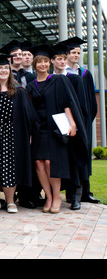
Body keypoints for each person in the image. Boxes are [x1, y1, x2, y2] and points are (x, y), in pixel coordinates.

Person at [26, 44, 88, 213]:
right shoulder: (31, 86)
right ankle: (49, 196)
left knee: (50, 163)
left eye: (46, 61)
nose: (43, 65)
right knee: (39, 163)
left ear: (50, 63)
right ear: (35, 65)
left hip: (54, 128)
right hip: (38, 128)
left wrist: (73, 123)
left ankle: (56, 198)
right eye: (40, 62)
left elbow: (65, 103)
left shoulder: (57, 80)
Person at [0, 55, 38, 214]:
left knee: (9, 167)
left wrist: (28, 135)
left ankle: (10, 201)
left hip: (11, 135)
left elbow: (28, 117)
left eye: (5, 68)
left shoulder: (19, 92)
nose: (2, 71)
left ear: (9, 71)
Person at [61, 36, 100, 204]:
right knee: (70, 157)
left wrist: (86, 121)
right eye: (73, 52)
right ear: (67, 54)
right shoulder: (62, 75)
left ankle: (86, 191)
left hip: (84, 122)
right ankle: (72, 193)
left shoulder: (85, 74)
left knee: (84, 154)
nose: (76, 55)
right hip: (67, 122)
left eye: (78, 52)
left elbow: (91, 101)